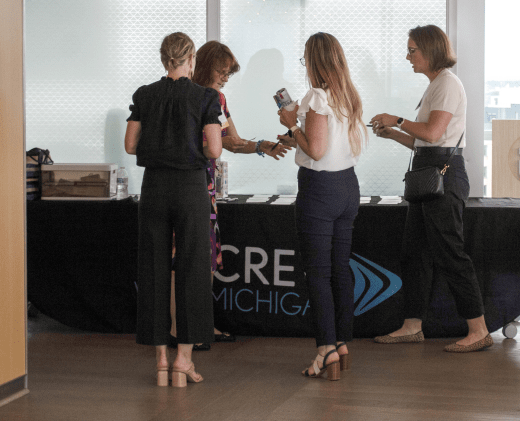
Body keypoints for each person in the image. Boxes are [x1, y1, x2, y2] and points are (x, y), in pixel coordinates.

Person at [370, 25, 492, 353]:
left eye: (413, 50)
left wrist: (395, 119)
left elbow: (435, 134)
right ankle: (413, 326)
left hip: (444, 176)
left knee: (450, 252)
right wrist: (392, 133)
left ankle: (478, 329)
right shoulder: (436, 85)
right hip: (429, 171)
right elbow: (424, 139)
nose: (408, 56)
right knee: (415, 253)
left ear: (430, 50)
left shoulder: (447, 84)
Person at [167, 41, 290, 351]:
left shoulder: (203, 97)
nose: (225, 77)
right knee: (191, 257)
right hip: (189, 185)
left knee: (193, 257)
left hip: (188, 186)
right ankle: (187, 329)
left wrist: (262, 146)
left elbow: (232, 141)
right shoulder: (197, 97)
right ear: (205, 65)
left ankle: (190, 327)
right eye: (221, 71)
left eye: (228, 73)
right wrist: (261, 146)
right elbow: (227, 142)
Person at [125, 32, 221, 387]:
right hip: (190, 188)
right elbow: (214, 150)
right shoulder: (205, 97)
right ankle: (184, 361)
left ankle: (161, 363)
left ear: (164, 59)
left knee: (152, 267)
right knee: (193, 269)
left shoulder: (145, 94)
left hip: (154, 188)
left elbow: (130, 143)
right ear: (191, 59)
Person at [278, 32, 366, 381]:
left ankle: (325, 349)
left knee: (317, 272)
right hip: (348, 185)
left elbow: (314, 150)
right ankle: (341, 343)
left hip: (320, 189)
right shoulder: (348, 95)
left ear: (314, 61)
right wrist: (296, 129)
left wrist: (291, 126)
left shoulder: (317, 96)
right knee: (340, 269)